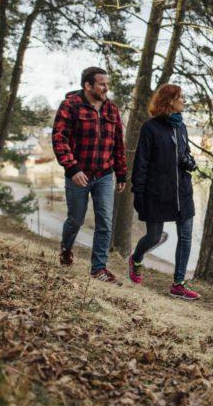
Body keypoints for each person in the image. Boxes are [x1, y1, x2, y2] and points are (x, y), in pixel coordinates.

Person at [52, 66, 127, 281]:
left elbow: (118, 144)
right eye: (102, 84)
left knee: (105, 221)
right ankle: (66, 249)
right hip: (78, 174)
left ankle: (98, 269)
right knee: (75, 219)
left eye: (107, 84)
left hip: (104, 174)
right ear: (88, 85)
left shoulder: (112, 109)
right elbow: (59, 138)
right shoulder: (70, 106)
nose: (106, 88)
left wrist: (121, 173)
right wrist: (72, 168)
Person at [128, 83, 200, 300]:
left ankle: (178, 284)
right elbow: (141, 164)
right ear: (169, 101)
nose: (184, 101)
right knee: (154, 236)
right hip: (158, 192)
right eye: (181, 97)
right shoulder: (150, 128)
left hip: (183, 192)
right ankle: (136, 259)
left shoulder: (182, 127)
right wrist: (138, 193)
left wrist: (189, 162)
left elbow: (184, 153)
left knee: (185, 236)